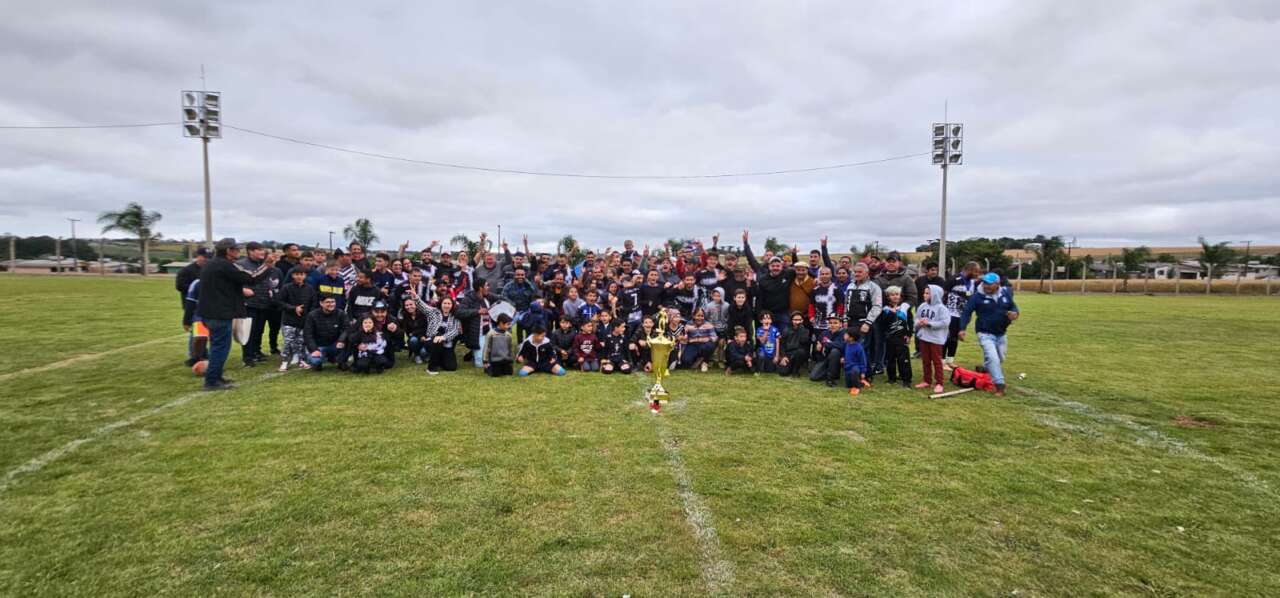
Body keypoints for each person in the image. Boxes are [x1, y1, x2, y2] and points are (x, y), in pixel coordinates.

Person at [197, 238, 279, 390]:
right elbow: (251, 278)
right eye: (236, 249)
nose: (239, 251)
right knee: (220, 348)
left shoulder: (212, 264)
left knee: (217, 346)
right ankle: (212, 381)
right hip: (219, 313)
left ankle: (216, 377)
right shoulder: (225, 265)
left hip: (210, 312)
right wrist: (267, 265)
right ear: (228, 251)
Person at [959, 272, 1020, 396]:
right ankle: (999, 385)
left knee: (1000, 358)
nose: (985, 286)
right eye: (984, 283)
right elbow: (966, 312)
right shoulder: (977, 297)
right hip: (984, 333)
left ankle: (985, 368)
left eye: (989, 284)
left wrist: (1014, 313)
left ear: (997, 284)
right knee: (993, 357)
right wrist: (962, 329)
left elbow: (1013, 307)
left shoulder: (1005, 293)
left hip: (1001, 333)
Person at [237, 242, 282, 367]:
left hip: (263, 302)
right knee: (249, 331)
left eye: (263, 249)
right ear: (250, 251)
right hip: (249, 303)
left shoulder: (264, 264)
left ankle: (256, 352)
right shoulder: (241, 264)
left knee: (259, 330)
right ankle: (247, 357)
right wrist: (242, 290)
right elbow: (235, 282)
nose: (262, 252)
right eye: (259, 250)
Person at [844, 263, 883, 378]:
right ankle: (853, 373)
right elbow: (846, 303)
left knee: (862, 348)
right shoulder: (850, 286)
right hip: (850, 322)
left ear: (866, 273)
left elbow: (877, 306)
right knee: (851, 346)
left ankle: (866, 375)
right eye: (855, 272)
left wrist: (868, 322)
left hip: (864, 322)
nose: (857, 274)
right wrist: (845, 319)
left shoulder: (873, 287)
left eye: (860, 272)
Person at [276, 265, 317, 371]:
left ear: (305, 276)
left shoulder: (310, 288)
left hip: (304, 321)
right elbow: (279, 302)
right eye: (297, 274)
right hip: (289, 320)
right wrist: (293, 308)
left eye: (302, 274)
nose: (299, 276)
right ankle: (285, 361)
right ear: (293, 275)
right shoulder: (286, 287)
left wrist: (310, 315)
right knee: (288, 342)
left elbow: (314, 303)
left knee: (301, 342)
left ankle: (301, 360)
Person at [944, 261, 981, 369]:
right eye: (976, 272)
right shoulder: (953, 279)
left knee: (955, 338)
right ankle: (942, 362)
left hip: (963, 315)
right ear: (969, 270)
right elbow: (943, 294)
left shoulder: (973, 283)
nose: (977, 274)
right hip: (950, 314)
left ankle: (950, 360)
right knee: (947, 337)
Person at [915, 284, 950, 394]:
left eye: (927, 293)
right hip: (924, 337)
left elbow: (945, 322)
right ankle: (927, 380)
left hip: (936, 339)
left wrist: (930, 324)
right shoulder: (922, 306)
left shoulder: (942, 308)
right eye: (924, 293)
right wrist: (919, 323)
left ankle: (939, 383)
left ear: (935, 295)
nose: (924, 295)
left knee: (937, 361)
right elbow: (917, 318)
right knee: (925, 360)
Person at [878, 286, 913, 387]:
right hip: (890, 338)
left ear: (900, 295)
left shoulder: (905, 307)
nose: (895, 296)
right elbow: (882, 323)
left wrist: (909, 334)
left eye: (897, 294)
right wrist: (890, 313)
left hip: (902, 338)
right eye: (892, 295)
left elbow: (910, 322)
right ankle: (891, 378)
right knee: (890, 359)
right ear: (888, 296)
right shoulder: (885, 309)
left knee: (904, 359)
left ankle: (906, 380)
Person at [304, 295, 349, 371]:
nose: (331, 304)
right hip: (319, 345)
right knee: (315, 361)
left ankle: (341, 361)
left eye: (333, 302)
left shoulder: (341, 313)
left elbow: (347, 329)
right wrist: (314, 349)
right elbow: (308, 334)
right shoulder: (312, 315)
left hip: (335, 344)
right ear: (321, 303)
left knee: (349, 340)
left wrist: (341, 340)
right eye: (327, 302)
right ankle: (318, 363)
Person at [421, 295, 461, 374]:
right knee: (437, 340)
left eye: (449, 304)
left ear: (452, 305)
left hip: (447, 343)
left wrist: (444, 337)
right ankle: (431, 368)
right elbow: (423, 307)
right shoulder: (434, 312)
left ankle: (440, 360)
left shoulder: (455, 316)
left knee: (451, 367)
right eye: (444, 303)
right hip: (432, 340)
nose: (446, 305)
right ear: (441, 304)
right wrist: (415, 297)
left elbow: (455, 331)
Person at [809, 315, 846, 386]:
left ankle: (831, 378)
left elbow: (841, 346)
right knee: (813, 377)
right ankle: (832, 372)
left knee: (835, 351)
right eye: (830, 323)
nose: (832, 325)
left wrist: (825, 344)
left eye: (835, 323)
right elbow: (818, 343)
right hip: (825, 358)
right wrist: (818, 346)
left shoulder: (844, 333)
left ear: (840, 324)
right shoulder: (825, 333)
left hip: (838, 359)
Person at [777, 311, 810, 377]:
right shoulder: (786, 330)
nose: (797, 322)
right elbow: (782, 345)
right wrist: (783, 356)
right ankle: (790, 366)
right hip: (788, 354)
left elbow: (804, 341)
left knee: (801, 352)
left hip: (799, 353)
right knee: (783, 372)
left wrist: (801, 329)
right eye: (795, 320)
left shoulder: (805, 330)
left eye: (799, 320)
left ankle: (796, 370)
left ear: (802, 320)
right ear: (791, 320)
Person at [400, 297, 431, 364]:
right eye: (406, 305)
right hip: (415, 338)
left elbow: (426, 328)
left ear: (416, 304)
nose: (409, 307)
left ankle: (425, 353)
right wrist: (416, 335)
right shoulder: (405, 316)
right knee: (413, 340)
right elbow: (408, 333)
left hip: (425, 337)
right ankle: (416, 354)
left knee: (423, 352)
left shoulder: (423, 314)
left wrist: (419, 335)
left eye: (411, 304)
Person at [843, 328, 869, 396]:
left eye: (846, 334)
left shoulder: (859, 348)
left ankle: (857, 387)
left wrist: (863, 372)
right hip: (847, 368)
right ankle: (862, 383)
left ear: (851, 338)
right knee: (848, 385)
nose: (844, 335)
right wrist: (843, 358)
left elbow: (863, 361)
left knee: (854, 372)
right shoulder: (846, 344)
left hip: (855, 368)